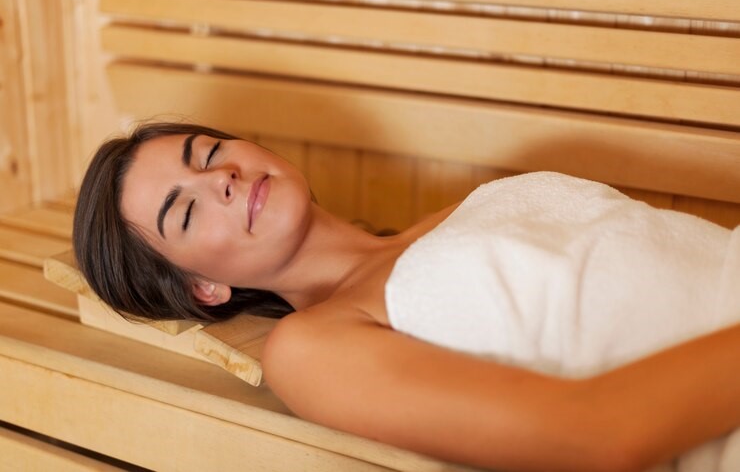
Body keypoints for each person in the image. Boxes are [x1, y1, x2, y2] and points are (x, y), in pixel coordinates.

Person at [73, 121, 740, 472]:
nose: (220, 176)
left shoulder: (454, 212)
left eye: (208, 150)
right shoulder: (312, 347)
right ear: (204, 288)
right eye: (184, 214)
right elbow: (598, 435)